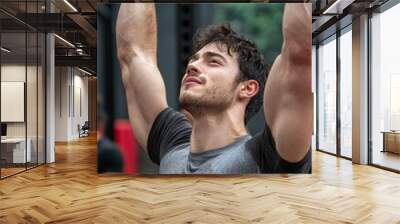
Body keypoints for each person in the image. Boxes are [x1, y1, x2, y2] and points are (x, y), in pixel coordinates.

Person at [116, 3, 313, 174]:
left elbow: (299, 52)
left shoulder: (266, 157)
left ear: (247, 88)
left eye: (213, 62)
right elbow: (133, 52)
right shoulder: (171, 144)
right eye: (194, 60)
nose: (192, 66)